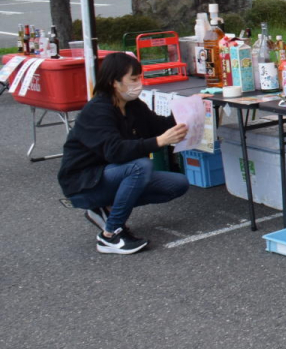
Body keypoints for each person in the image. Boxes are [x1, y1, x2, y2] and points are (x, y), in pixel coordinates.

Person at [57, 53, 190, 254]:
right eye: (133, 79)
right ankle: (110, 234)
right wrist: (159, 141)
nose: (139, 84)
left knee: (178, 184)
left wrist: (191, 107)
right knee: (140, 166)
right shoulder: (97, 110)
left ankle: (105, 208)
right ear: (114, 82)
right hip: (84, 182)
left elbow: (159, 126)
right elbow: (116, 152)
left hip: (111, 175)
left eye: (139, 78)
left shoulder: (132, 105)